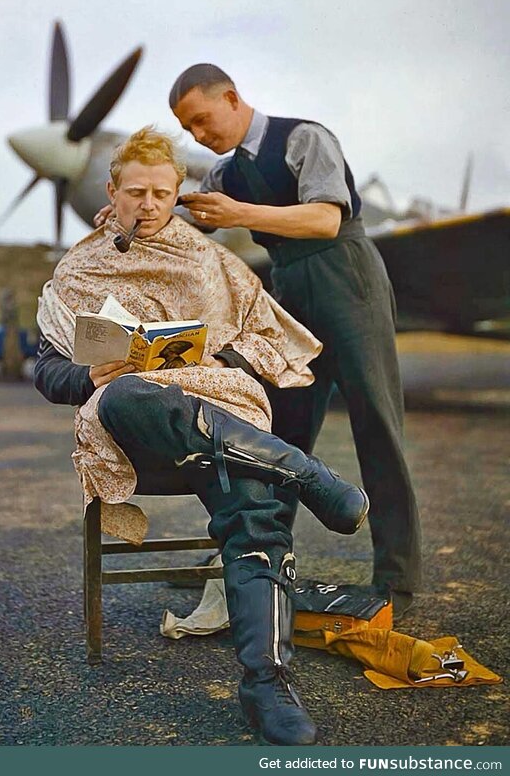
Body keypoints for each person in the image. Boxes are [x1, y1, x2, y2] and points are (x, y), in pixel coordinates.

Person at [34, 126, 369, 746]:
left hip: (219, 414)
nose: (150, 204)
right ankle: (302, 470)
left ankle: (267, 682)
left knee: (257, 511)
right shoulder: (78, 270)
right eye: (136, 192)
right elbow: (46, 370)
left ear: (177, 191)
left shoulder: (213, 261)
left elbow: (270, 342)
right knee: (132, 393)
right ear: (112, 191)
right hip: (132, 425)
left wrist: (218, 362)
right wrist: (89, 373)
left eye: (162, 193)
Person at [168, 65, 422, 620]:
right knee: (279, 437)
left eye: (203, 121)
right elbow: (186, 217)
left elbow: (326, 219)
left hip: (346, 279)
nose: (199, 138)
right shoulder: (224, 173)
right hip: (287, 291)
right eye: (188, 130)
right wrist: (133, 211)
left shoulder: (305, 137)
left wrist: (241, 214)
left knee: (376, 425)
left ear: (231, 98)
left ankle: (396, 581)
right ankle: (257, 564)